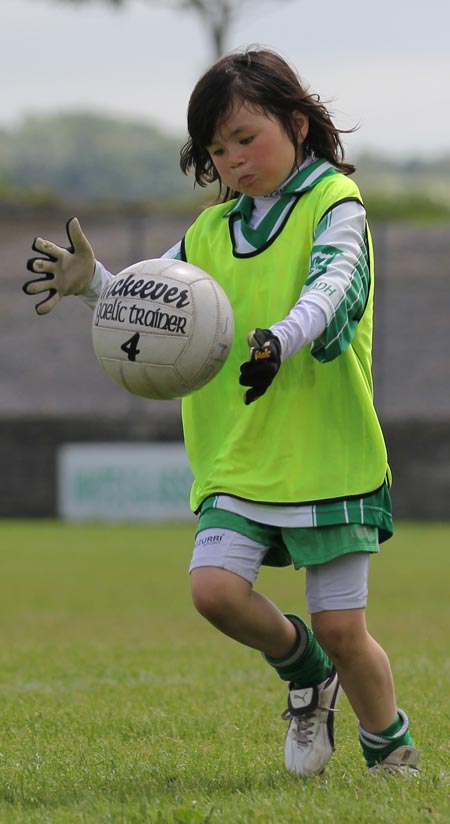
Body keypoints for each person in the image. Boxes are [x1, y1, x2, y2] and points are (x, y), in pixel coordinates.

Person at [23, 47, 419, 777]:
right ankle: (306, 673)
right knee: (215, 592)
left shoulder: (336, 204)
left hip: (326, 452)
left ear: (297, 125)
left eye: (246, 138)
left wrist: (280, 339)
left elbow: (333, 288)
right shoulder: (211, 233)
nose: (233, 160)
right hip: (236, 452)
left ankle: (388, 744)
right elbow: (157, 300)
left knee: (343, 626)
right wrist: (94, 286)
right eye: (217, 148)